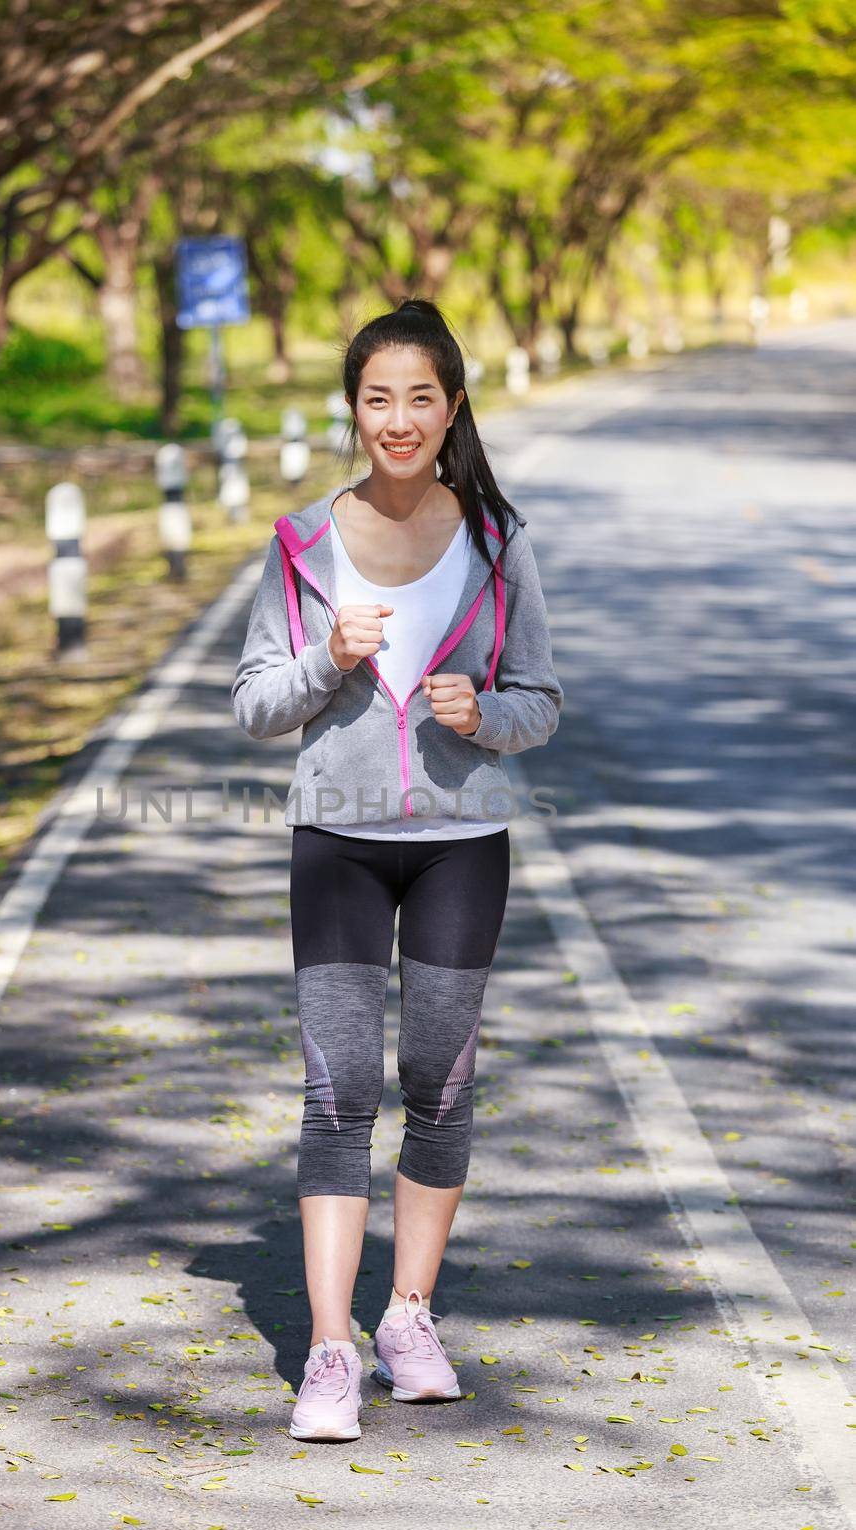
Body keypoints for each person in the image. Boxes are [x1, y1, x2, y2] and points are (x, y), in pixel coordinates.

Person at [231, 298, 563, 1442]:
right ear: (353, 411)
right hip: (336, 840)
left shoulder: (494, 538)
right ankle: (329, 1349)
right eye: (378, 398)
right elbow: (254, 704)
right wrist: (326, 657)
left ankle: (406, 1316)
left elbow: (541, 700)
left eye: (421, 396)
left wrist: (486, 712)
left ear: (451, 406)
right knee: (336, 1091)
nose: (399, 418)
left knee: (441, 1078)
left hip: (461, 845)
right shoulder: (297, 545)